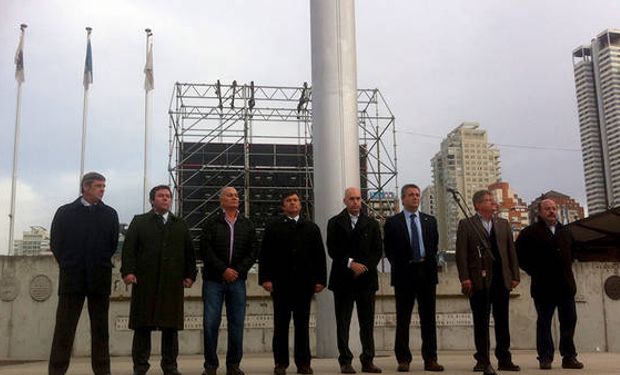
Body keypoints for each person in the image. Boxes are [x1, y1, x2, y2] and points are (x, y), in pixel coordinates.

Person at [121, 185, 197, 375]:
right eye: (161, 196)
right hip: (144, 282)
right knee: (142, 327)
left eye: (168, 196)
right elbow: (129, 250)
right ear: (152, 200)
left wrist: (190, 275)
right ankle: (140, 367)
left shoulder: (180, 223)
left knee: (170, 328)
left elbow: (189, 253)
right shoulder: (139, 222)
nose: (165, 199)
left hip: (172, 283)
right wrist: (128, 272)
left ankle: (170, 366)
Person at [49, 172, 119, 375]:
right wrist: (70, 264)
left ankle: (102, 371)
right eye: (98, 186)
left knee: (100, 330)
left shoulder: (110, 214)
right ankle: (56, 371)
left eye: (104, 186)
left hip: (99, 278)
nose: (102, 190)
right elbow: (56, 243)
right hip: (72, 278)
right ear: (85, 187)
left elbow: (112, 243)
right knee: (64, 329)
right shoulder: (65, 212)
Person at [259, 191, 327, 375]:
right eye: (288, 201)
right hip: (280, 285)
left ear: (300, 205)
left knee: (302, 326)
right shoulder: (273, 227)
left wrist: (321, 280)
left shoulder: (311, 228)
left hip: (303, 285)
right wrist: (265, 278)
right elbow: (265, 254)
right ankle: (280, 363)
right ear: (283, 206)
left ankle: (303, 363)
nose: (293, 203)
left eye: (296, 200)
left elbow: (319, 256)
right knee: (280, 326)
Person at [455, 190, 520, 375]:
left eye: (493, 200)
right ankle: (482, 359)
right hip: (478, 280)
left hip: (501, 279)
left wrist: (514, 275)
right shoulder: (467, 224)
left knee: (502, 321)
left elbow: (511, 251)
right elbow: (461, 254)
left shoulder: (503, 224)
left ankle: (504, 359)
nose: (493, 202)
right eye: (488, 200)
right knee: (481, 321)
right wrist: (465, 278)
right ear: (477, 205)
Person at [515, 198, 584, 370]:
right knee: (544, 323)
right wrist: (535, 271)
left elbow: (574, 251)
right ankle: (545, 357)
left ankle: (569, 357)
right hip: (543, 286)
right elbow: (519, 256)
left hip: (565, 286)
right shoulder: (529, 233)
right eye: (547, 209)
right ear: (540, 212)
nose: (552, 211)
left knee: (569, 321)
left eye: (554, 208)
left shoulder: (566, 231)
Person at [384, 184, 444, 372]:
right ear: (403, 199)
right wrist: (403, 265)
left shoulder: (430, 221)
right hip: (404, 275)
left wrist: (427, 263)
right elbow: (389, 250)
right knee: (403, 319)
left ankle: (430, 359)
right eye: (411, 195)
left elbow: (433, 246)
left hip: (426, 274)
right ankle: (403, 359)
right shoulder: (393, 222)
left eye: (417, 195)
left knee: (428, 319)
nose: (415, 198)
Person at [200, 186, 258, 375]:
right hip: (213, 281)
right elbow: (205, 250)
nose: (234, 198)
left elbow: (253, 251)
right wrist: (223, 270)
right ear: (221, 200)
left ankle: (233, 365)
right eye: (229, 195)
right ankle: (210, 365)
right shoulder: (211, 223)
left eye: (236, 196)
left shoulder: (247, 224)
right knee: (210, 323)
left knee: (237, 323)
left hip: (237, 282)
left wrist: (237, 271)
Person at [327, 187, 383, 374]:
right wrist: (351, 264)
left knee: (367, 323)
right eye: (351, 199)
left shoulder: (372, 224)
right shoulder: (334, 223)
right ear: (345, 201)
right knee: (343, 322)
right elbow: (333, 250)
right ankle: (345, 361)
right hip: (343, 279)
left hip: (366, 280)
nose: (355, 202)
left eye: (358, 198)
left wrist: (364, 266)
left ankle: (368, 360)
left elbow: (377, 251)